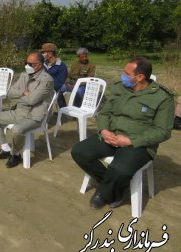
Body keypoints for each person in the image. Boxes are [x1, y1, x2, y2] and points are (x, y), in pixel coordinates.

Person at [71, 57, 174, 210]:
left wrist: (130, 141)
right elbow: (104, 113)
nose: (122, 76)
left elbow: (163, 131)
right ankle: (115, 187)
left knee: (121, 169)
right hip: (111, 135)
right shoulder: (120, 88)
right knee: (79, 151)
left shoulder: (162, 98)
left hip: (137, 143)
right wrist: (104, 130)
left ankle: (106, 193)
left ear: (140, 77)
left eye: (126, 73)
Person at [0, 52, 54, 167]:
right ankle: (6, 149)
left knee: (17, 130)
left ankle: (16, 154)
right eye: (26, 62)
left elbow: (32, 100)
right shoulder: (24, 75)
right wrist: (23, 93)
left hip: (34, 116)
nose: (27, 65)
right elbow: (10, 93)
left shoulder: (47, 80)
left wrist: (21, 97)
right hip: (19, 112)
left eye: (29, 63)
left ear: (39, 65)